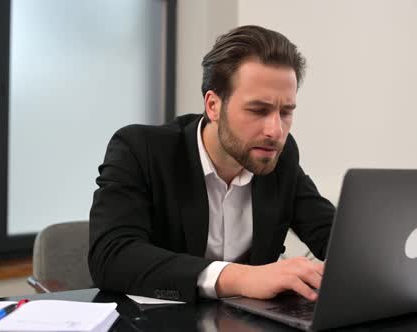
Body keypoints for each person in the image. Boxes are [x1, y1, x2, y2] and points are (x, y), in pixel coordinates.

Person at [88, 25, 335, 304]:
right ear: (213, 105)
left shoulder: (280, 155)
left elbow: (333, 235)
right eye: (258, 110)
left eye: (286, 112)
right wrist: (242, 278)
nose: (275, 130)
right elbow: (111, 256)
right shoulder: (141, 149)